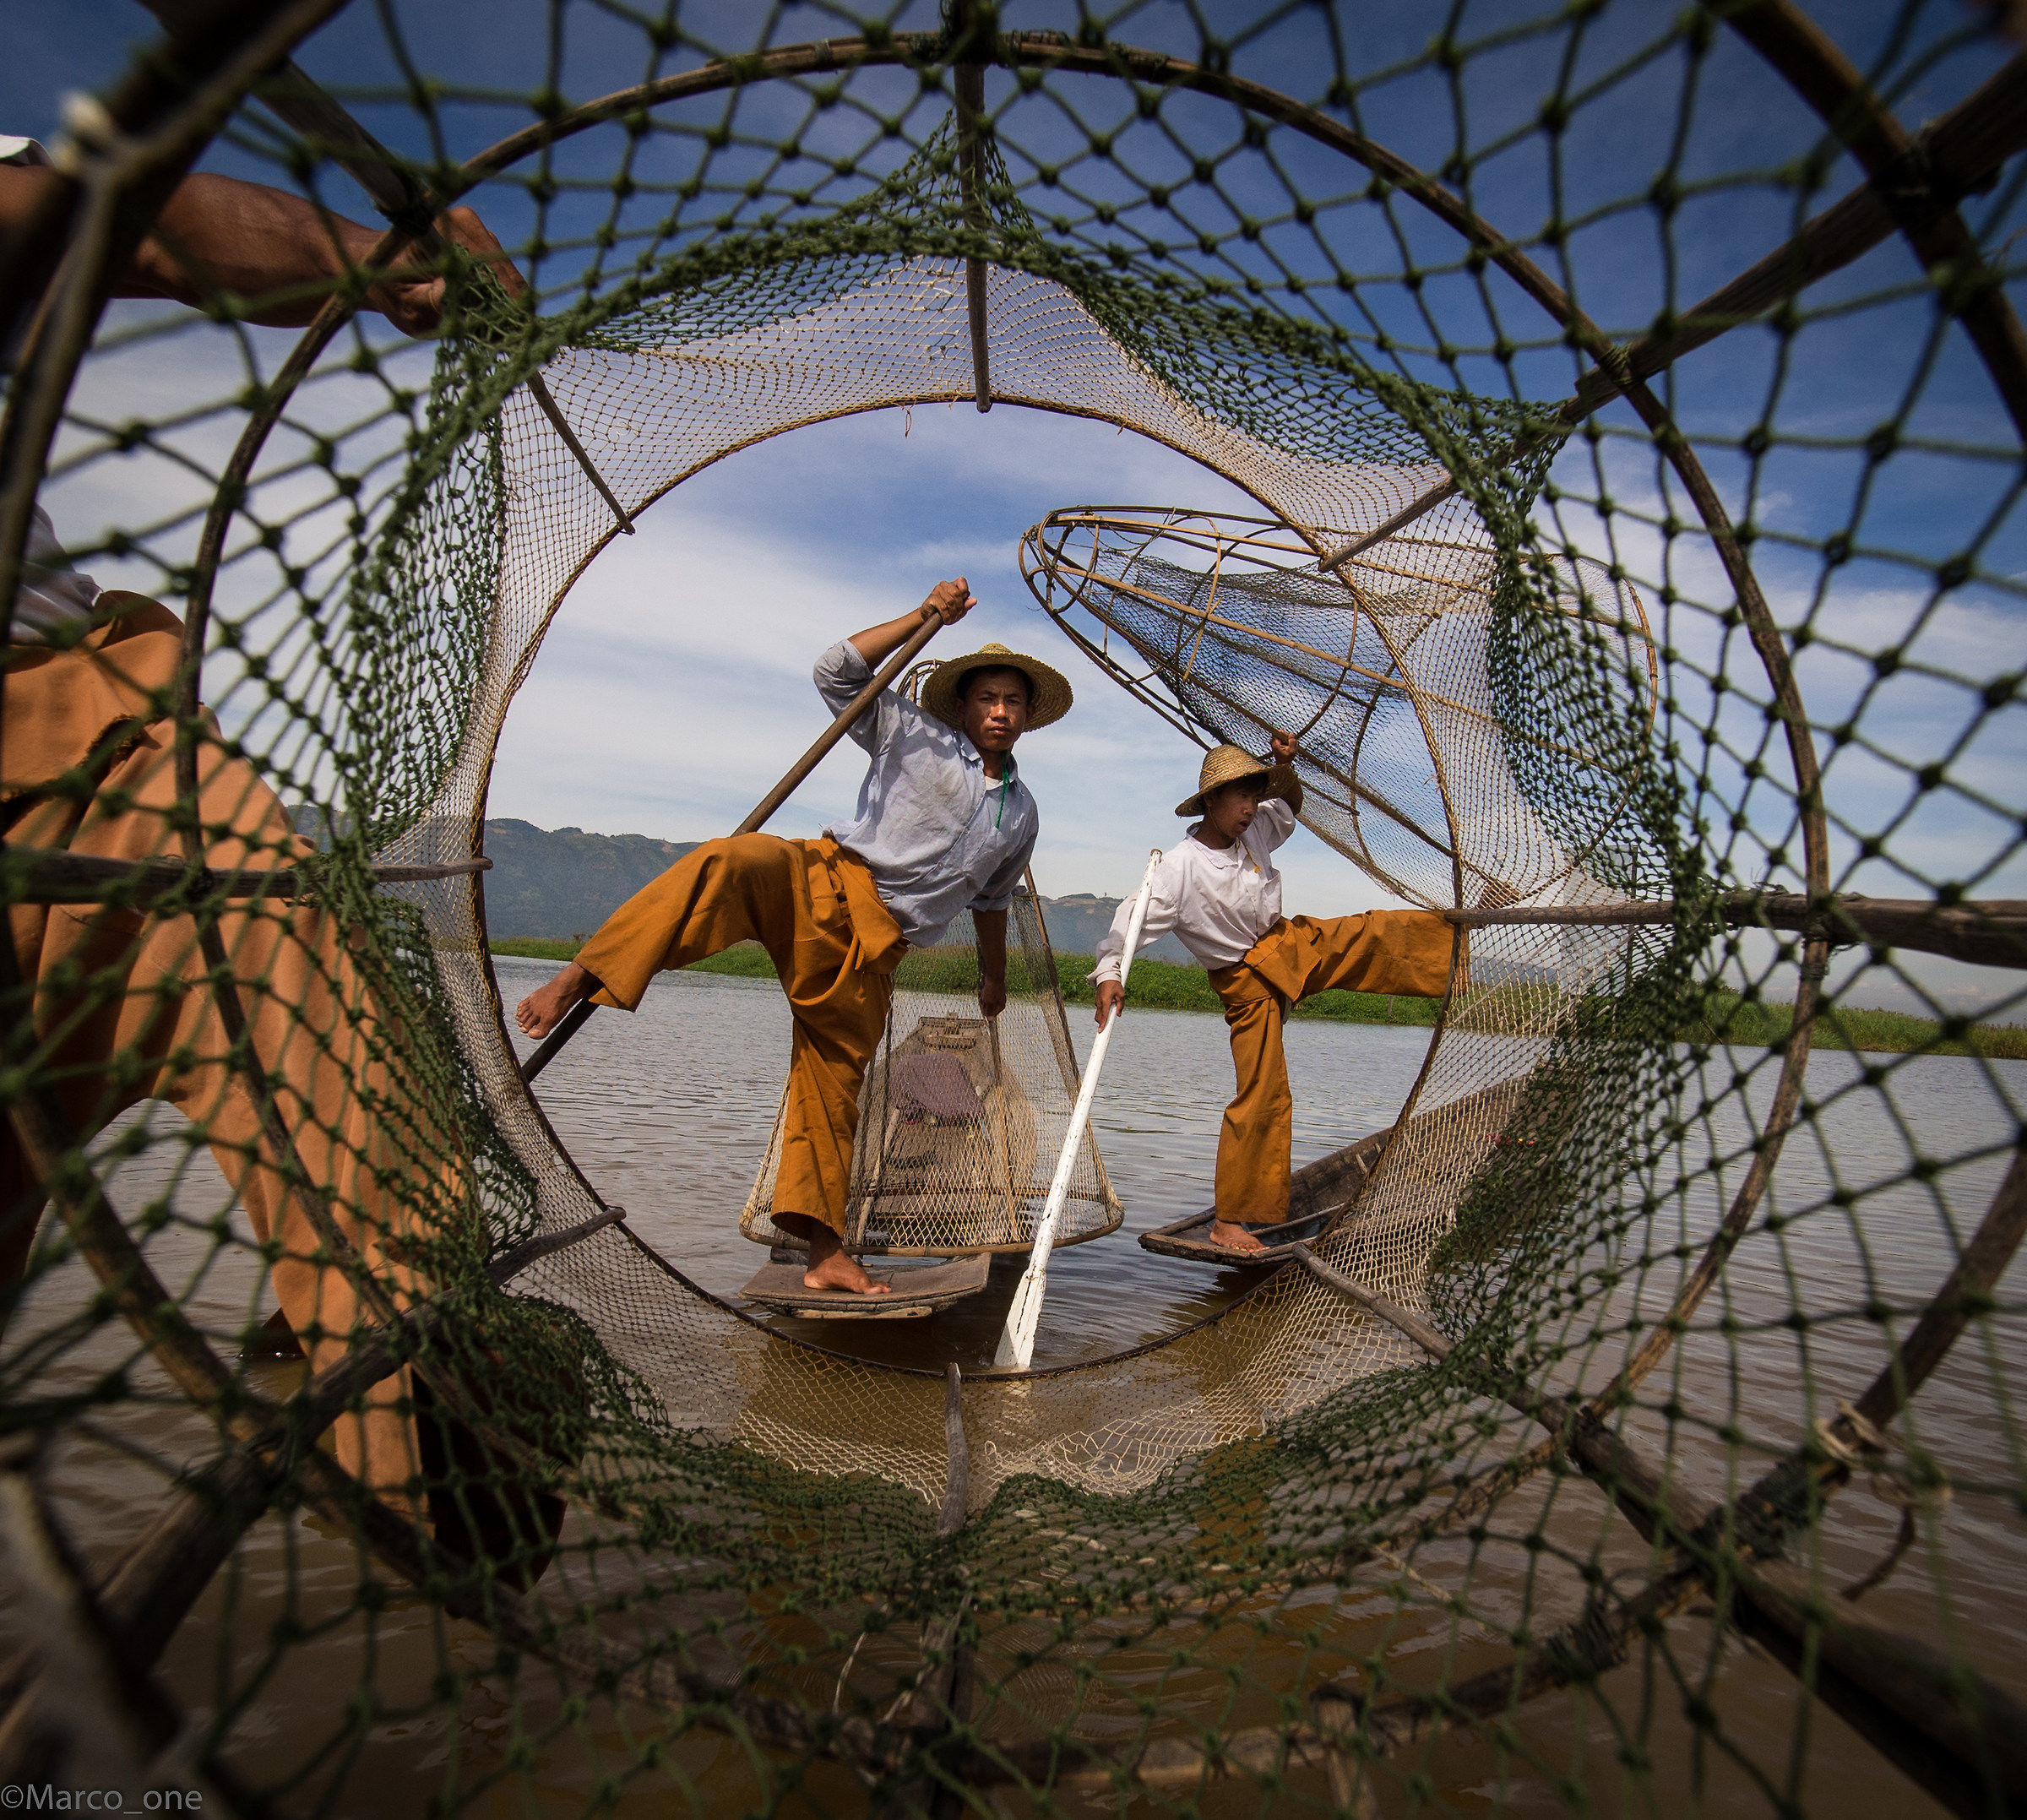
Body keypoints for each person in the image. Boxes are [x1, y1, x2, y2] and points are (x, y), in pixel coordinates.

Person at [2, 141, 552, 1563]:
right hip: (78, 754)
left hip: (75, 751)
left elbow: (101, 214)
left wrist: (382, 262)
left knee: (309, 1018)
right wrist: (388, 260)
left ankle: (423, 1453)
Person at [514, 584, 1073, 1295]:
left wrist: (994, 977)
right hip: (822, 882)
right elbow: (834, 670)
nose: (999, 711)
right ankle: (580, 974)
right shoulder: (911, 731)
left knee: (832, 1090)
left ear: (1027, 717)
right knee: (729, 861)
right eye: (987, 697)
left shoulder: (1020, 814)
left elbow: (991, 900)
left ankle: (824, 1252)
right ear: (962, 705)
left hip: (877, 949)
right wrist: (923, 615)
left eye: (1013, 701)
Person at [1092, 736, 1456, 1253]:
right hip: (1247, 983)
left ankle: (1454, 949)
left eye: (1253, 795)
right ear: (1211, 800)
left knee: (1366, 931)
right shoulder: (1178, 868)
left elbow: (1287, 805)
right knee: (1263, 1094)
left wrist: (1284, 766)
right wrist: (1111, 974)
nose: (1249, 808)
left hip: (1287, 945)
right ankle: (1229, 1222)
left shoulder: (1256, 828)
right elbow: (1127, 927)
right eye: (1239, 796)